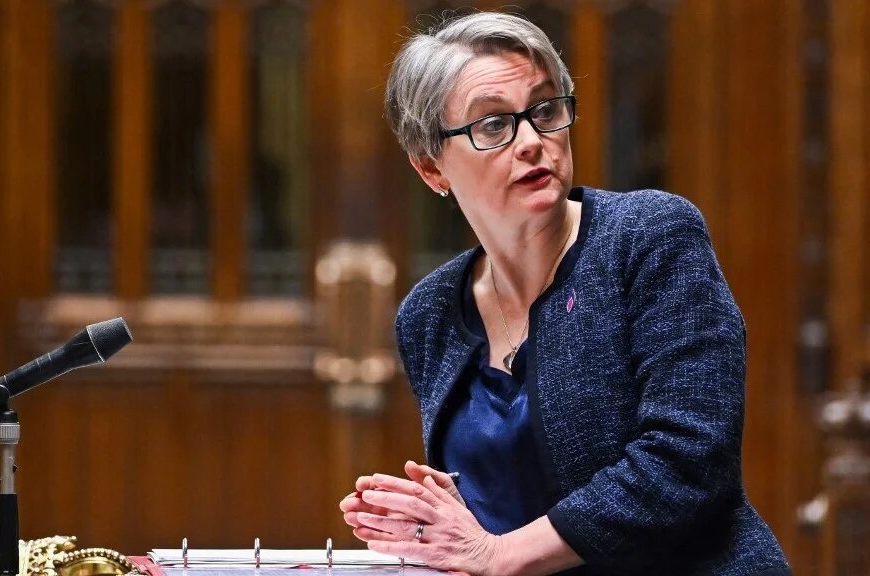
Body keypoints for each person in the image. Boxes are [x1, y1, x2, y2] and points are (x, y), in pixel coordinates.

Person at [338, 12, 790, 575]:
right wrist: (449, 522)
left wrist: (499, 552)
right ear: (432, 166)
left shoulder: (648, 237)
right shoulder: (429, 315)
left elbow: (688, 462)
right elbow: (508, 510)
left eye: (545, 110)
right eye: (493, 124)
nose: (530, 141)